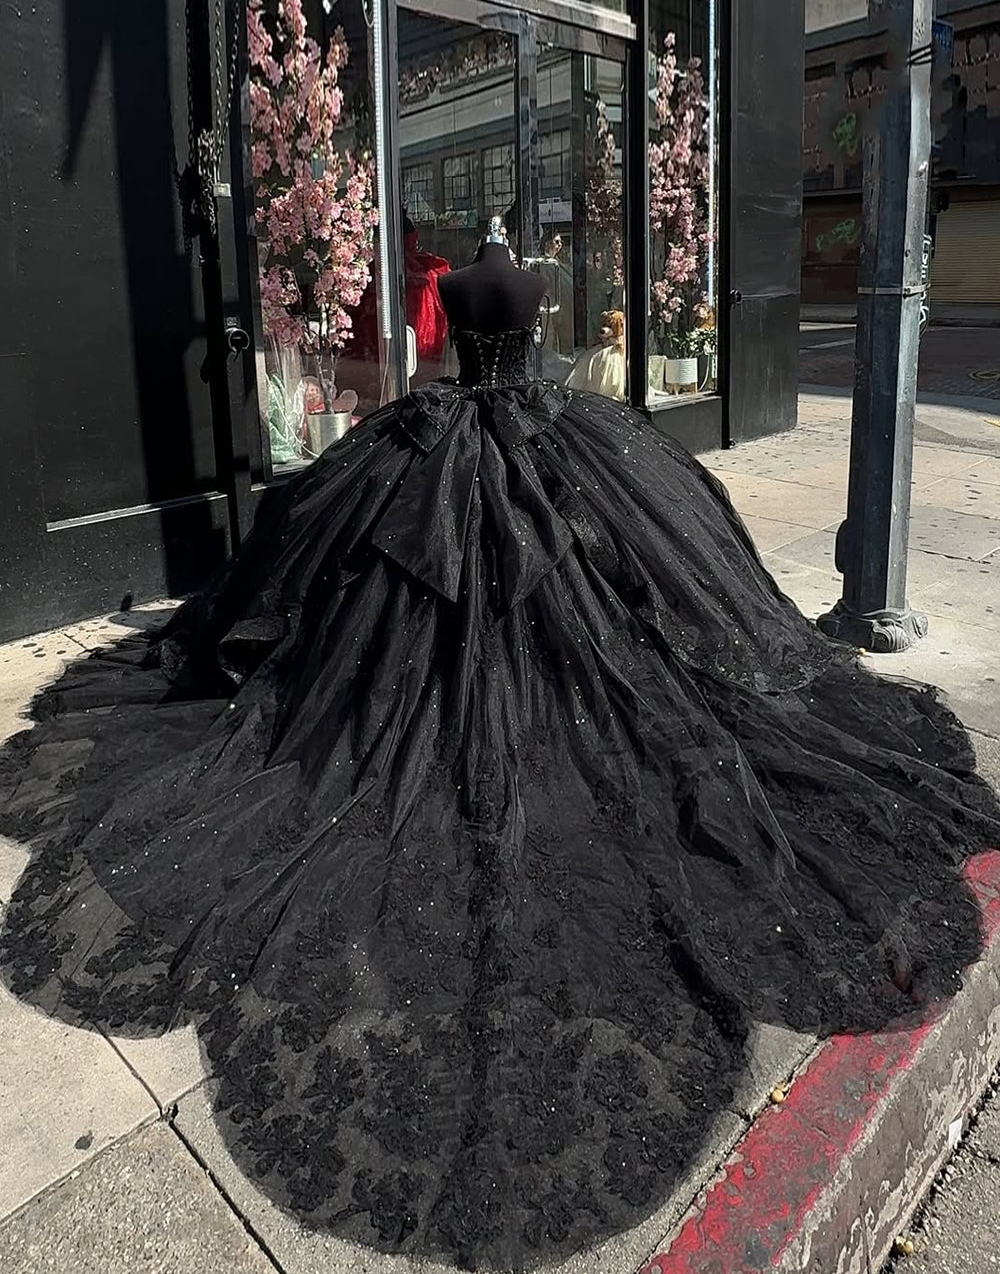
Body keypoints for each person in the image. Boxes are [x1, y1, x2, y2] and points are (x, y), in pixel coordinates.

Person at [1, 220, 996, 1271]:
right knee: (440, 625)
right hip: (486, 441)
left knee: (603, 622)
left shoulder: (484, 292)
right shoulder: (511, 288)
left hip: (489, 438)